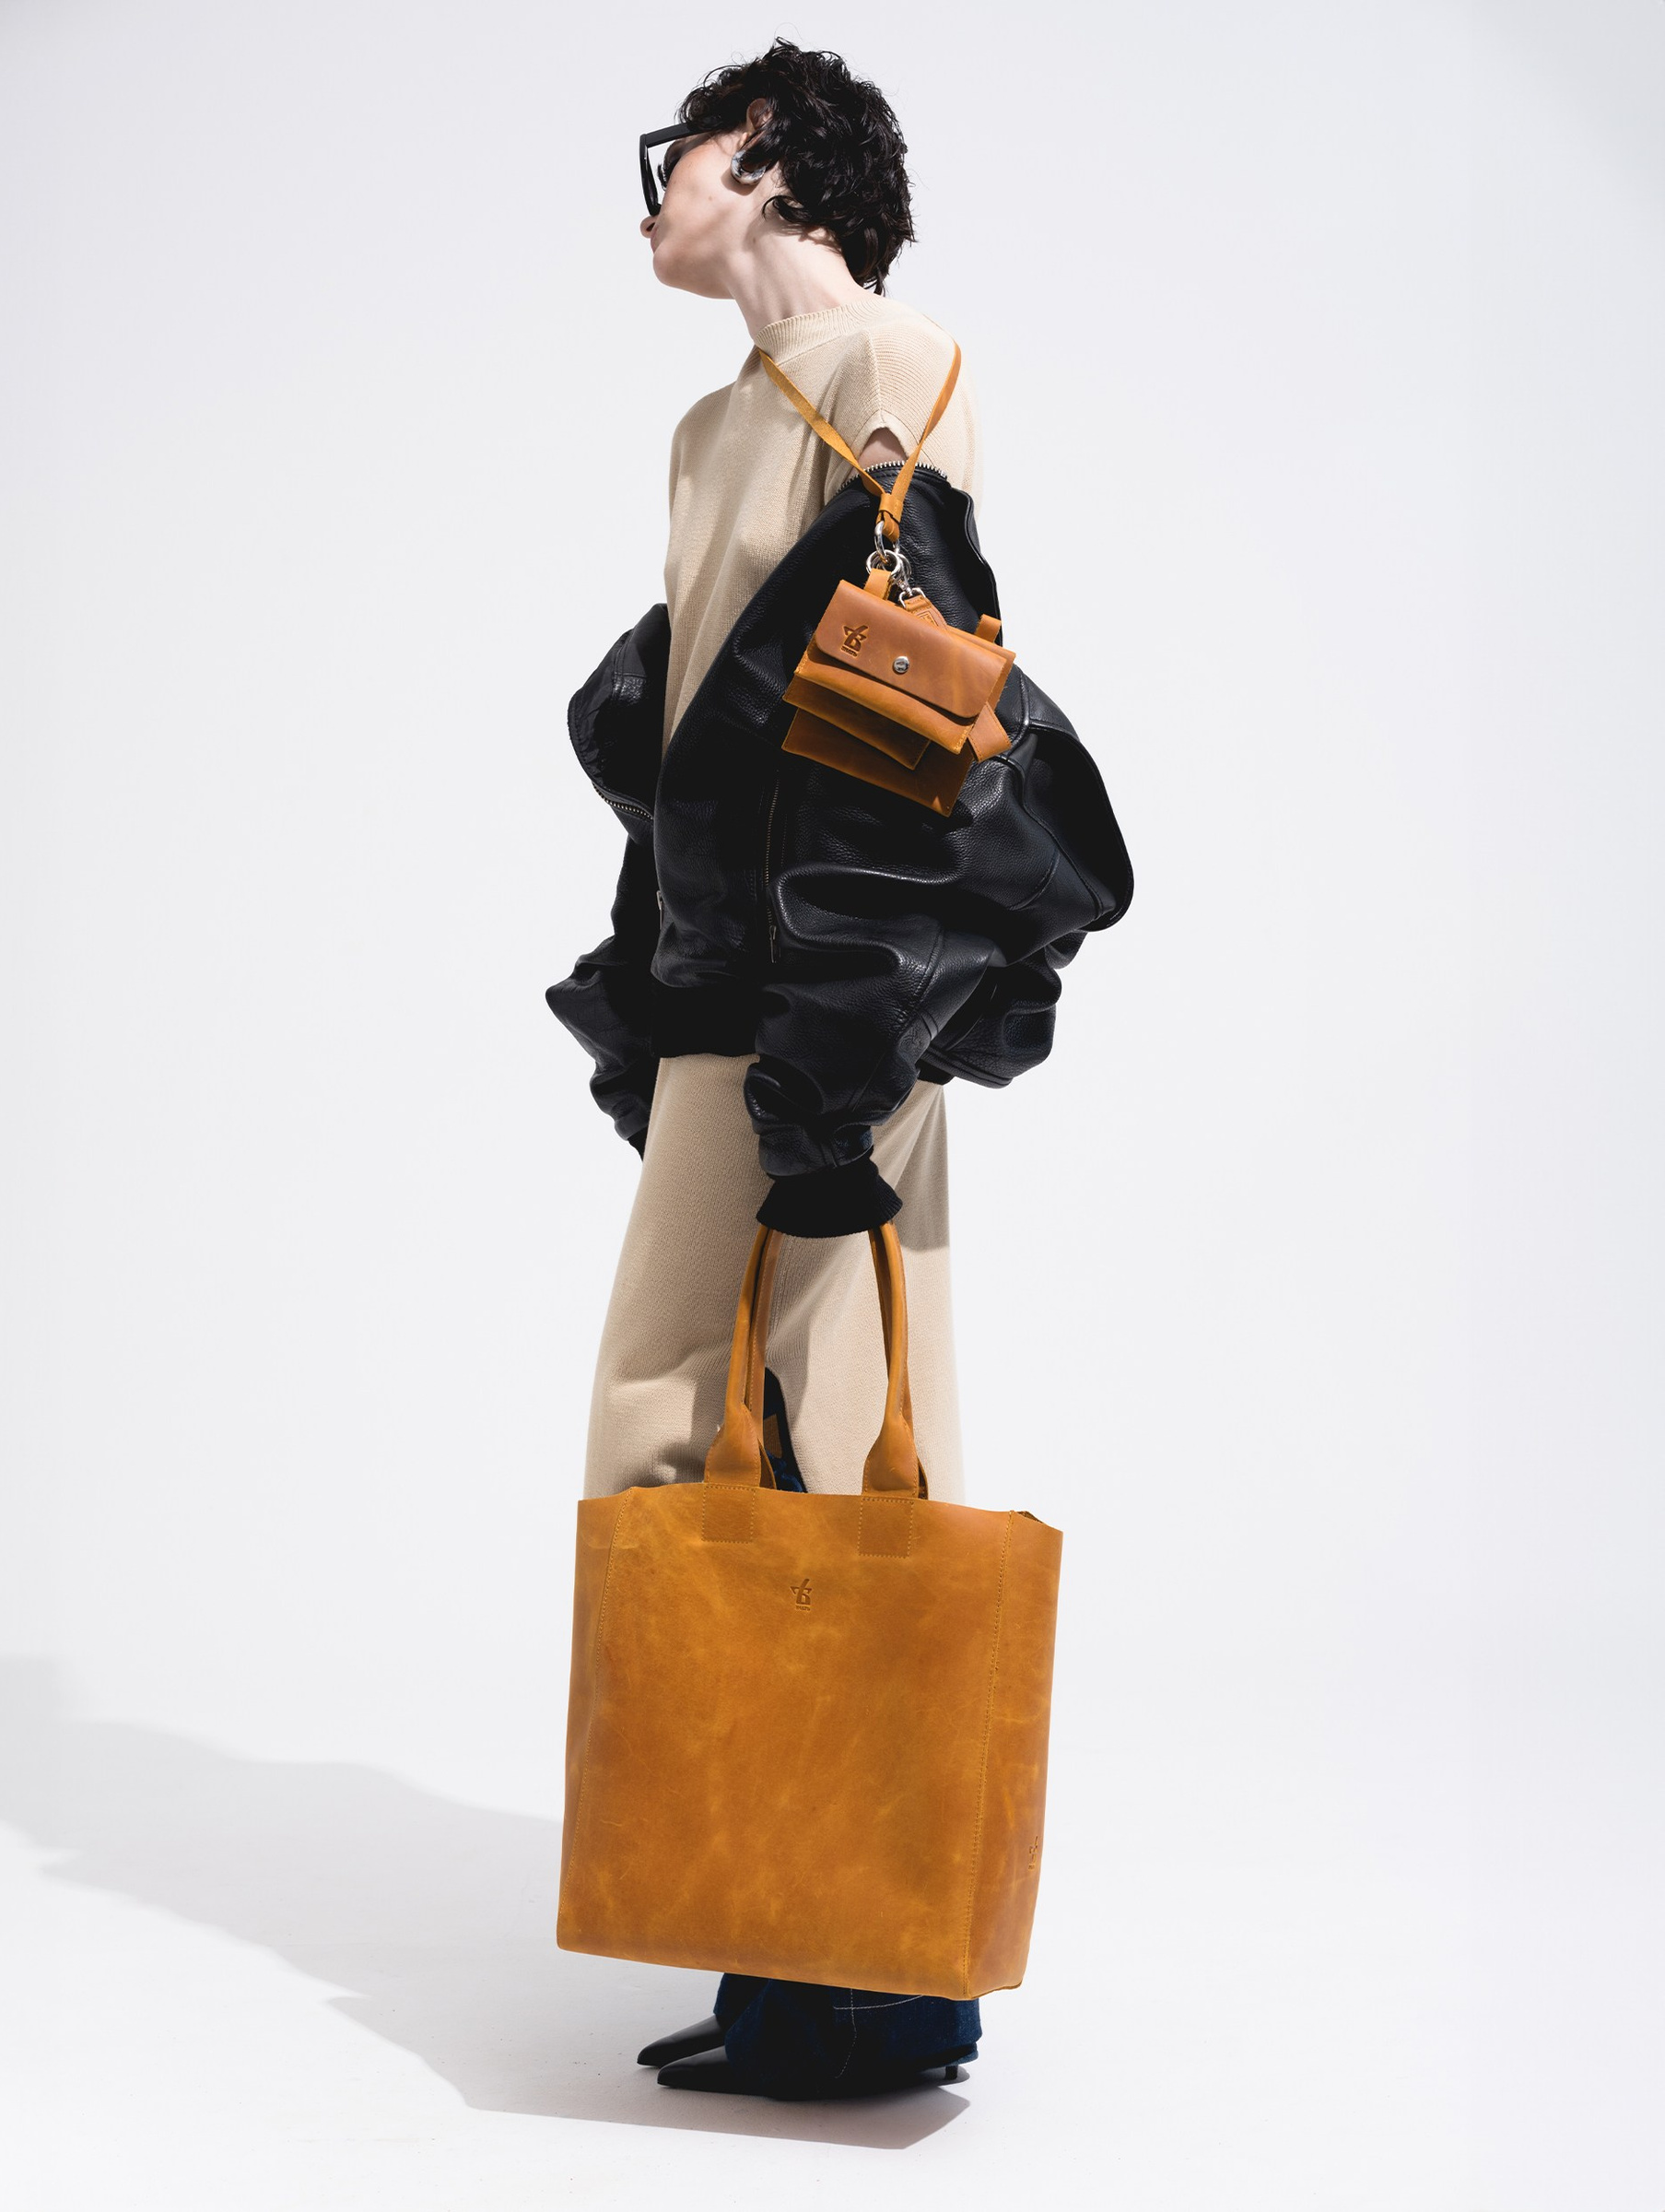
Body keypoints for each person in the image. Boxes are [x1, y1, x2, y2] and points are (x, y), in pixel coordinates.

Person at [546, 42, 1132, 2100]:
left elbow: (898, 720)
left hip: (836, 1000)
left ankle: (879, 1969)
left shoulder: (896, 368)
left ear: (772, 161)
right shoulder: (717, 422)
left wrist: (834, 1069)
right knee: (672, 1415)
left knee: (859, 1417)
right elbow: (711, 731)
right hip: (730, 987)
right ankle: (781, 1913)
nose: (654, 193)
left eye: (679, 154)